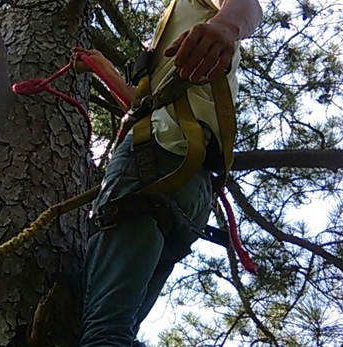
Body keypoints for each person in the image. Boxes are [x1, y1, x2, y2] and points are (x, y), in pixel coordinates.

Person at [71, 0, 263, 346]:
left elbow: (247, 5)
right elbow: (144, 106)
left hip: (153, 161)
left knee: (105, 332)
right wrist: (103, 67)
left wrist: (225, 27)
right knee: (112, 330)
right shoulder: (174, 26)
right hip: (189, 182)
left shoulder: (196, 6)